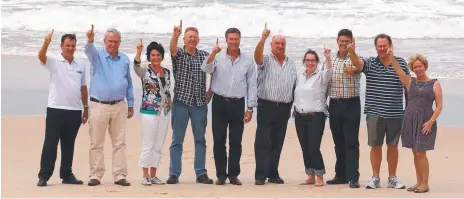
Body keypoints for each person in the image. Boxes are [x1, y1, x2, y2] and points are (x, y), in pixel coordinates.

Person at [349, 33, 409, 189]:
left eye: (385, 46)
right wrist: (352, 51)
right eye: (379, 46)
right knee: (375, 146)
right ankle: (375, 177)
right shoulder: (371, 63)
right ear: (376, 47)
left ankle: (392, 178)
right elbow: (358, 63)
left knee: (393, 146)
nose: (382, 49)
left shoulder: (401, 63)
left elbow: (407, 84)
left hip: (395, 112)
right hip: (374, 112)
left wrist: (408, 109)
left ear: (390, 46)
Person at [201, 28, 257, 185]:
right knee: (219, 140)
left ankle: (233, 175)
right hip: (219, 102)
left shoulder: (247, 60)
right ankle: (221, 175)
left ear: (240, 39)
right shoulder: (217, 57)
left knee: (236, 141)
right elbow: (205, 68)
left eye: (236, 39)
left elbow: (252, 84)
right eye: (231, 39)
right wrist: (212, 53)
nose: (234, 42)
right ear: (226, 40)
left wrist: (250, 108)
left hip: (238, 103)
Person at [84, 25, 134, 186]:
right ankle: (95, 175)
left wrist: (131, 102)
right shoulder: (96, 55)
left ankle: (119, 175)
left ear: (119, 43)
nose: (113, 44)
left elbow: (129, 83)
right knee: (96, 142)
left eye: (116, 42)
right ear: (105, 42)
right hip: (98, 105)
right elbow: (88, 50)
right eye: (110, 41)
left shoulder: (125, 59)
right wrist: (90, 39)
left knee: (119, 142)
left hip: (119, 105)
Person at [37, 30, 88, 187]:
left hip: (74, 110)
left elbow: (83, 87)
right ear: (61, 46)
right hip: (55, 109)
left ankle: (66, 174)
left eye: (73, 45)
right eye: (67, 45)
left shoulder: (80, 64)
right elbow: (41, 57)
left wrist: (86, 108)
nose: (70, 48)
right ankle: (44, 175)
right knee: (51, 143)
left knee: (68, 144)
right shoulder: (54, 61)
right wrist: (46, 42)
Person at [167, 20, 214, 184]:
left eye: (195, 37)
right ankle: (174, 173)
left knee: (200, 139)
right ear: (184, 40)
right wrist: (175, 35)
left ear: (198, 40)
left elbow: (214, 71)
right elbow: (172, 48)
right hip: (181, 102)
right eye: (189, 37)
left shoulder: (204, 55)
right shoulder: (178, 54)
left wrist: (211, 90)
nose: (192, 39)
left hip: (199, 104)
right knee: (177, 140)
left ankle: (201, 173)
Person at [389, 52, 442, 193]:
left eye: (420, 66)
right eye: (415, 67)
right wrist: (391, 56)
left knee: (421, 153)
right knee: (415, 153)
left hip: (426, 122)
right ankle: (418, 183)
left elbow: (439, 106)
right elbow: (397, 69)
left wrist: (431, 122)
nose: (418, 69)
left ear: (425, 66)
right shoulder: (409, 81)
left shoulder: (434, 83)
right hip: (410, 120)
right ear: (412, 69)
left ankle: (425, 183)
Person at [254, 23, 297, 185]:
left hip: (284, 108)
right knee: (263, 141)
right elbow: (256, 55)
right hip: (266, 105)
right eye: (277, 43)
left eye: (282, 44)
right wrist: (263, 39)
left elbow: (294, 86)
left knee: (277, 142)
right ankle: (260, 175)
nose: (280, 46)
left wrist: (292, 106)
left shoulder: (291, 63)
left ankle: (273, 173)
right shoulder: (264, 59)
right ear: (271, 45)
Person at [325, 29, 362, 188]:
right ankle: (340, 175)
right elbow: (324, 81)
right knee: (338, 142)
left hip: (352, 104)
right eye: (342, 41)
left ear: (352, 41)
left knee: (351, 142)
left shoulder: (355, 58)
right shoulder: (331, 59)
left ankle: (353, 177)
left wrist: (353, 69)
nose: (344, 44)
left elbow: (359, 68)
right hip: (335, 104)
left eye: (347, 41)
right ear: (337, 41)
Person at [133, 39, 172, 185]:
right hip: (149, 111)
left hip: (164, 112)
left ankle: (153, 175)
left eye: (158, 55)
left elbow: (167, 90)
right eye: (153, 55)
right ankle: (145, 176)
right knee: (148, 144)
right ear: (149, 57)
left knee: (158, 145)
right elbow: (136, 66)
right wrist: (138, 51)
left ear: (162, 56)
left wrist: (169, 105)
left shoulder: (167, 72)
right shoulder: (145, 71)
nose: (156, 57)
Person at [294, 48, 333, 187]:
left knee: (313, 147)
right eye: (308, 60)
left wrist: (328, 57)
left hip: (316, 116)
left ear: (317, 62)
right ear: (304, 62)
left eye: (313, 60)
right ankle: (310, 175)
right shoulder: (300, 76)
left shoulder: (321, 76)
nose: (310, 63)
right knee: (305, 147)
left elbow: (329, 71)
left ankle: (319, 176)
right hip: (299, 116)